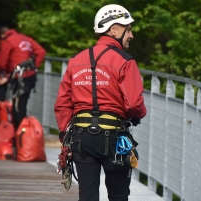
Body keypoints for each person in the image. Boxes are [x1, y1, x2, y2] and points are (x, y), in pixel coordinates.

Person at [54, 4, 147, 201]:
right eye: (128, 29)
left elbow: (63, 104)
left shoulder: (75, 60)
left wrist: (65, 134)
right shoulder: (125, 61)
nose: (131, 35)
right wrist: (138, 114)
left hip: (81, 139)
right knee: (118, 195)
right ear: (114, 29)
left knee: (87, 196)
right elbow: (133, 104)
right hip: (114, 138)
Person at [0, 27, 46, 130]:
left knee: (17, 108)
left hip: (19, 78)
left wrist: (7, 74)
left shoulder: (7, 41)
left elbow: (3, 62)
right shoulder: (25, 38)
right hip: (30, 76)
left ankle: (19, 136)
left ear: (2, 35)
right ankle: (23, 134)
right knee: (22, 105)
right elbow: (41, 52)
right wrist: (34, 67)